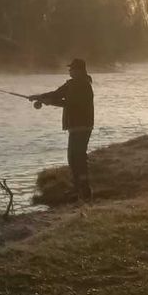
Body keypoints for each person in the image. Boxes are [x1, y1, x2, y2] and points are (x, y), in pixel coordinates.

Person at [30, 58, 94, 201]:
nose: (69, 70)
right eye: (70, 69)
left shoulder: (84, 85)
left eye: (72, 68)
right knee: (73, 157)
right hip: (74, 127)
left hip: (82, 126)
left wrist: (50, 102)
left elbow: (71, 104)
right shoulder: (71, 84)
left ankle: (84, 190)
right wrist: (39, 97)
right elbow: (57, 93)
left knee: (78, 157)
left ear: (79, 70)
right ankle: (78, 188)